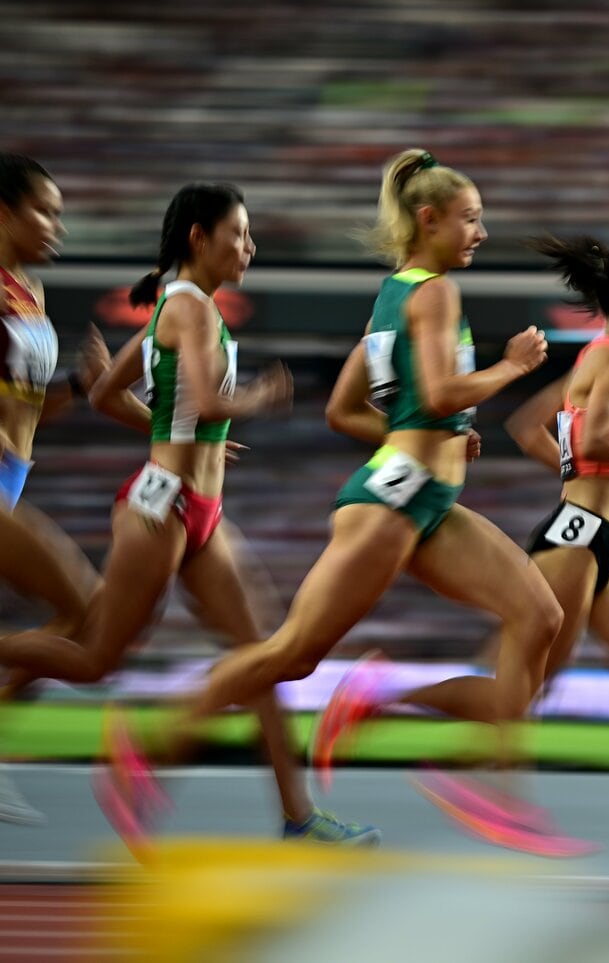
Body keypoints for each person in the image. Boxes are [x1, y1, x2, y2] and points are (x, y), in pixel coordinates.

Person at [91, 150, 569, 855]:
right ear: (428, 220)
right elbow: (436, 393)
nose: (482, 232)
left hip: (423, 496)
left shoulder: (393, 295)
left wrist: (433, 431)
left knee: (540, 614)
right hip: (391, 503)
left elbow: (347, 412)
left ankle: (484, 780)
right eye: (471, 219)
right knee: (289, 652)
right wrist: (511, 366)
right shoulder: (433, 293)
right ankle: (151, 742)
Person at [316, 234, 609, 874]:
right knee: (517, 697)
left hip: (594, 539)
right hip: (578, 539)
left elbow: (530, 427)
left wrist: (604, 475)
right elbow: (589, 437)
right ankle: (387, 701)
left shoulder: (604, 358)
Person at [0, 180, 378, 847]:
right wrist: (258, 397)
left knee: (260, 654)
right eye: (239, 233)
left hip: (198, 506)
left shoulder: (189, 307)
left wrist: (191, 438)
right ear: (200, 237)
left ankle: (299, 816)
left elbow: (110, 394)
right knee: (95, 659)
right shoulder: (189, 307)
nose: (250, 246)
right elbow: (205, 397)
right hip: (161, 507)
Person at [0, 151, 110, 823]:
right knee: (91, 608)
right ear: (4, 211)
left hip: (14, 473)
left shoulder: (30, 294)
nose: (56, 228)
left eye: (60, 215)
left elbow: (29, 407)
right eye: (44, 211)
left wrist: (81, 386)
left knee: (85, 621)